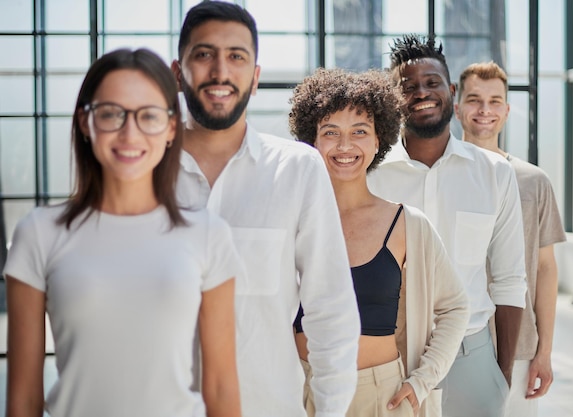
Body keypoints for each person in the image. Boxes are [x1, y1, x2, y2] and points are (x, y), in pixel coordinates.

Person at [4, 48, 243, 417]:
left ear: (170, 129)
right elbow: (23, 400)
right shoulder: (39, 234)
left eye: (148, 116)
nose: (129, 133)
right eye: (112, 114)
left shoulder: (208, 235)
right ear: (86, 122)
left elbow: (221, 387)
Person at [171, 2, 360, 417]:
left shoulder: (296, 170)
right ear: (177, 72)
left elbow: (332, 311)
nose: (220, 71)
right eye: (203, 54)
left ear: (255, 77)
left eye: (236, 56)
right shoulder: (145, 174)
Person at [289, 67, 469, 417]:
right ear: (312, 141)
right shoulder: (289, 223)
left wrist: (421, 382)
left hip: (380, 395)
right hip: (303, 392)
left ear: (378, 141)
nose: (345, 145)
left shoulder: (407, 224)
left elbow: (456, 307)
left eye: (360, 131)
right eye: (331, 132)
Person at [367, 35, 528, 417]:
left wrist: (500, 374)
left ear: (451, 91)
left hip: (470, 356)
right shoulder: (371, 176)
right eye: (407, 86)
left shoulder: (495, 175)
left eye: (432, 82)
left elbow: (509, 280)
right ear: (394, 98)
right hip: (389, 355)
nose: (421, 92)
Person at [455, 61, 567, 417]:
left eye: (494, 101)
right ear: (456, 107)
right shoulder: (438, 178)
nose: (484, 110)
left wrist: (544, 352)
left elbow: (545, 270)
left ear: (506, 109)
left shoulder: (534, 181)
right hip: (454, 346)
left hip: (519, 345)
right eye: (474, 100)